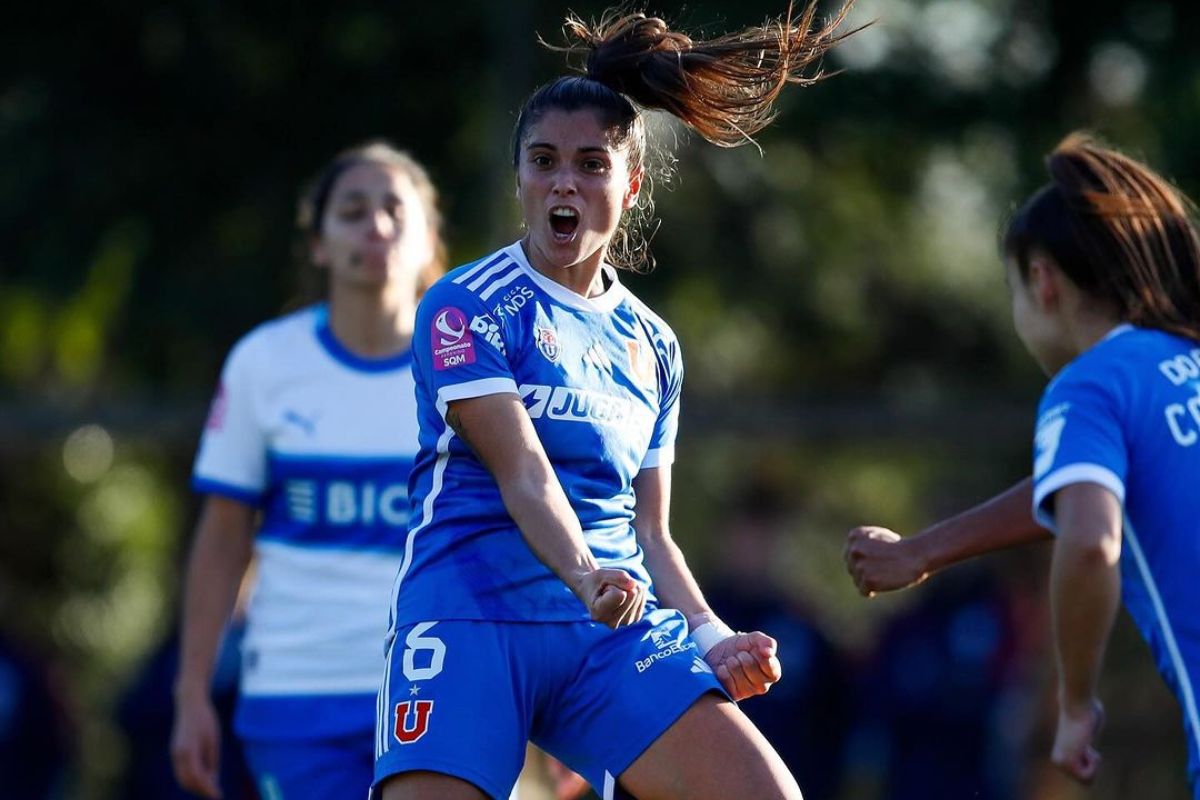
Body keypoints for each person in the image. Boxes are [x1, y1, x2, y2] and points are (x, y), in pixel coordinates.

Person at [372, 5, 858, 800]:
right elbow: (524, 474)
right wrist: (585, 572)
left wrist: (710, 634)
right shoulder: (464, 307)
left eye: (591, 163)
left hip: (607, 633)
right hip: (469, 618)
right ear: (519, 177)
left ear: (630, 185)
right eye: (544, 160)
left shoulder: (653, 344)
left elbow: (652, 529)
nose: (564, 182)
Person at [843, 134, 1200, 795]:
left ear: (1043, 283)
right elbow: (1075, 487)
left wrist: (1073, 704)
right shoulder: (1182, 364)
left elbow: (1092, 541)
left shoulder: (1094, 383)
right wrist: (923, 552)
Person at [171, 141, 445, 800]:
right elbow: (222, 537)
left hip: (439, 692)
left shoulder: (471, 371)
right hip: (296, 698)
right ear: (318, 243)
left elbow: (526, 530)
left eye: (393, 210)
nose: (375, 226)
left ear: (428, 238)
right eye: (352, 211)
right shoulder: (263, 365)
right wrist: (191, 695)